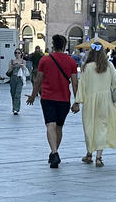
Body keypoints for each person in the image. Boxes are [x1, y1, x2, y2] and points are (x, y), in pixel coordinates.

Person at [26, 34, 78, 168]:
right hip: (64, 99)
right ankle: (54, 152)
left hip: (48, 97)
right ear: (65, 45)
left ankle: (54, 152)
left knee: (50, 125)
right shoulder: (71, 61)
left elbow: (38, 80)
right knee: (59, 127)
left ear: (53, 46)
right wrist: (77, 101)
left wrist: (33, 95)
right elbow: (75, 83)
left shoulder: (45, 60)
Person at [77, 42, 116, 167]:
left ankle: (89, 154)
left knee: (89, 127)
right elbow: (115, 82)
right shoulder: (109, 65)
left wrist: (78, 101)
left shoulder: (86, 67)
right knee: (102, 128)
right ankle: (99, 157)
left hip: (90, 101)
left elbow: (82, 86)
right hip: (106, 101)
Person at [5, 50, 27, 114]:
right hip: (13, 78)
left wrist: (21, 65)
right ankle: (14, 107)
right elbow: (9, 71)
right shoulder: (11, 61)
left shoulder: (23, 61)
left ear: (21, 54)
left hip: (20, 79)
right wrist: (12, 66)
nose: (17, 54)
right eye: (16, 53)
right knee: (13, 94)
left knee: (17, 94)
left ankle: (16, 109)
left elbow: (24, 69)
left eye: (18, 53)